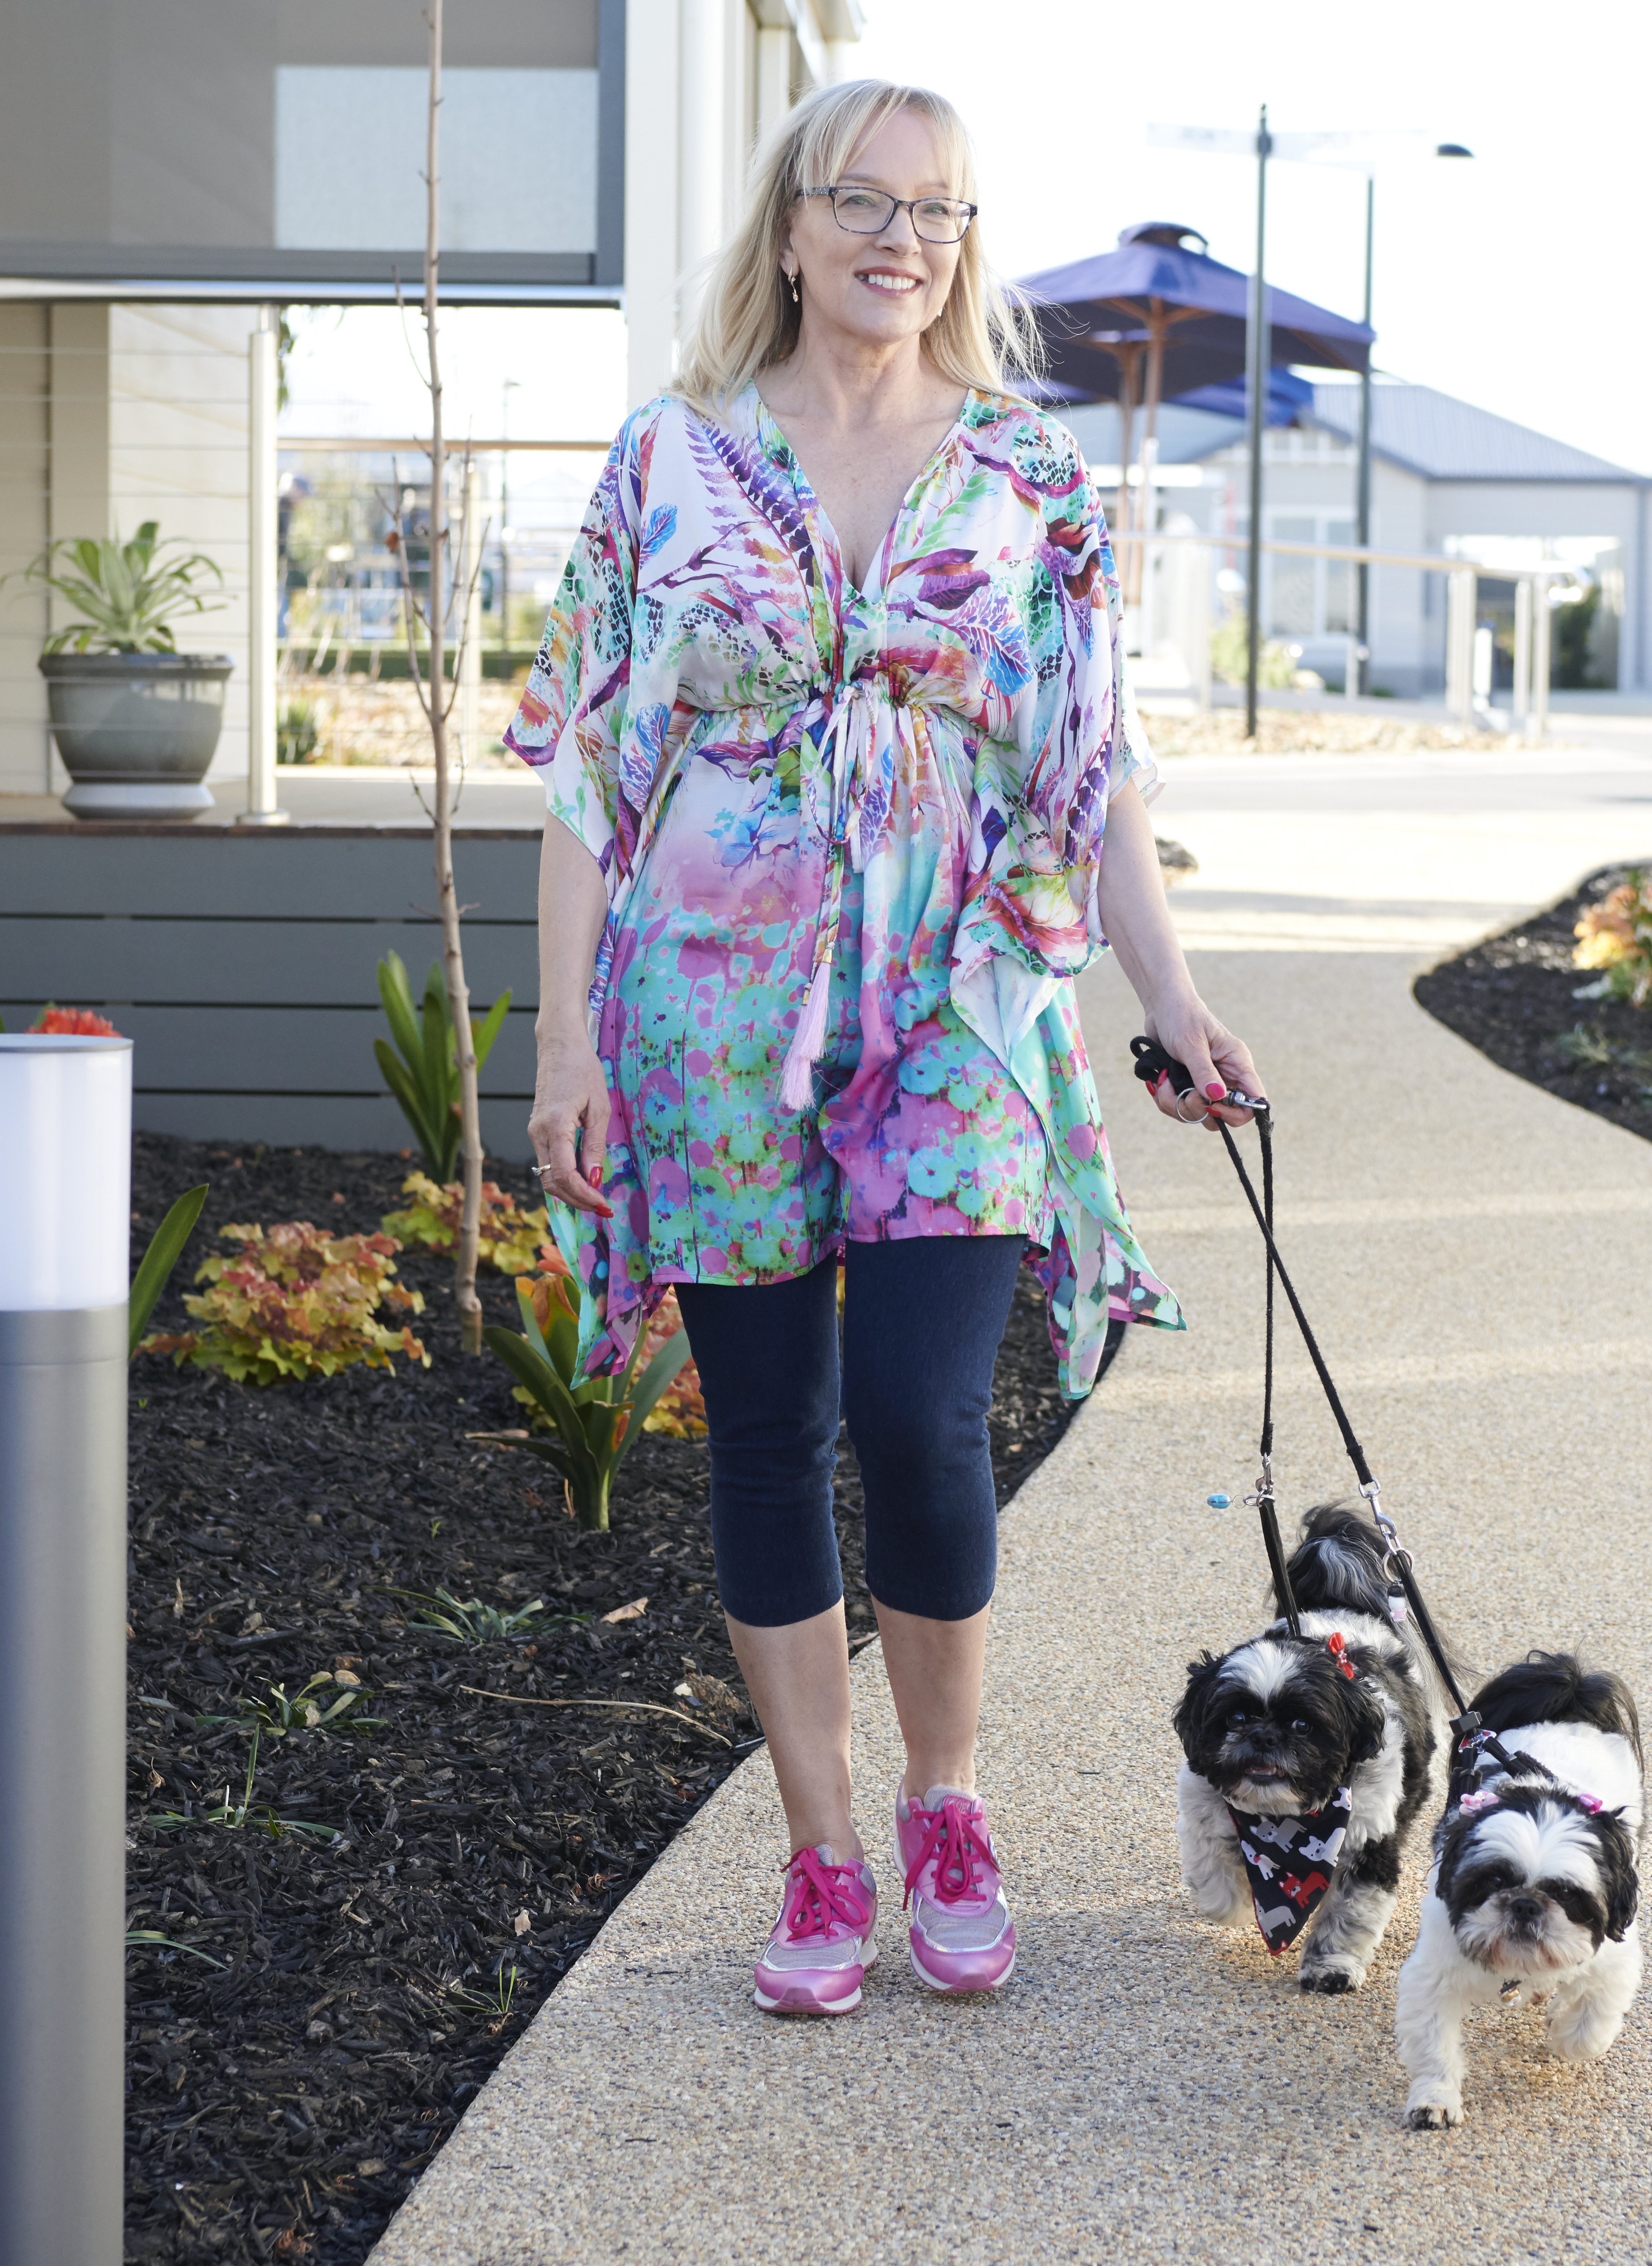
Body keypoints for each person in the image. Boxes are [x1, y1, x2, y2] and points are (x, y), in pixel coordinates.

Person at [507, 77, 1261, 2019]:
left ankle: (947, 1803)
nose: (900, 236)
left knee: (922, 1416)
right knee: (766, 1431)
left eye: (937, 209)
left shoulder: (1027, 474)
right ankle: (822, 1853)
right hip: (710, 1000)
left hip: (956, 993)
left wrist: (1165, 993)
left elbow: (1090, 766)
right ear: (789, 228)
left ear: (962, 246)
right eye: (861, 197)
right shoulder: (669, 459)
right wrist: (564, 1050)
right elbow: (590, 770)